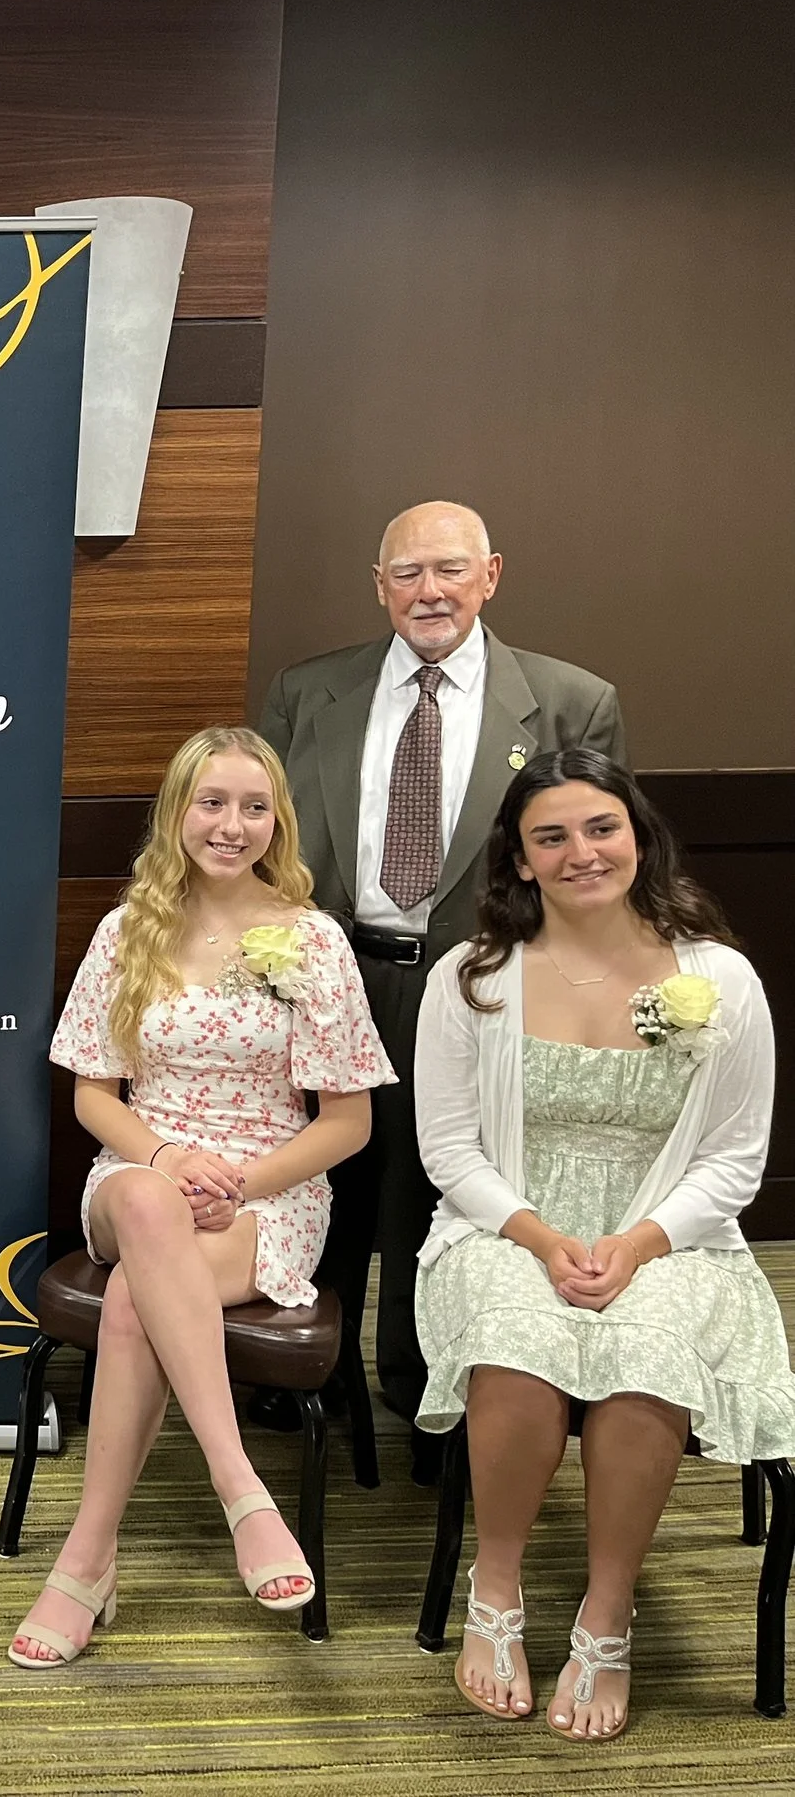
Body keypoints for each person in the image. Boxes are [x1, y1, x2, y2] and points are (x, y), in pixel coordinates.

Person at [414, 749, 792, 1739]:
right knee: (514, 1340)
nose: (580, 852)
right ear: (520, 860)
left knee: (643, 1356)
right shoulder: (472, 978)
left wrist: (636, 1245)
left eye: (599, 829)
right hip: (505, 1223)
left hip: (672, 1236)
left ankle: (605, 1613)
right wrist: (540, 1239)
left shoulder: (722, 982)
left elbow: (733, 1160)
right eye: (551, 837)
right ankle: (493, 1594)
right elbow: (449, 1151)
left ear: (637, 837)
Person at [10, 727, 393, 1669]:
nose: (232, 825)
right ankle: (241, 1487)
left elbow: (348, 1125)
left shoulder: (311, 940)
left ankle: (86, 1561)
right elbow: (94, 1093)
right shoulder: (128, 926)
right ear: (178, 811)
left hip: (274, 1186)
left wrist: (240, 1184)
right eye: (212, 802)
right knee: (145, 1206)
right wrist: (171, 1154)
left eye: (254, 807)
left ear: (279, 821)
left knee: (145, 1291)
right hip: (141, 1164)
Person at [259, 500, 625, 1449]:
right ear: (378, 586)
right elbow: (271, 846)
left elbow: (592, 870)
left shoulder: (569, 700)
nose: (431, 592)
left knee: (450, 1186)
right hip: (333, 977)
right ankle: (306, 1375)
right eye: (409, 573)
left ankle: (428, 1392)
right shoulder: (310, 690)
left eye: (450, 570)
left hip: (481, 982)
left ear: (490, 575)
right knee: (326, 1178)